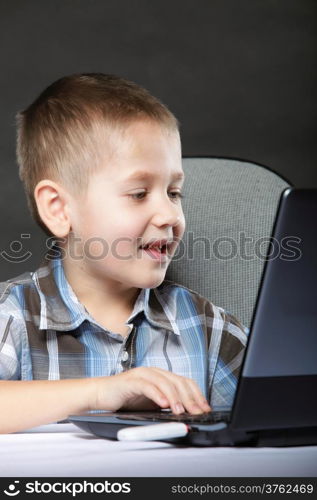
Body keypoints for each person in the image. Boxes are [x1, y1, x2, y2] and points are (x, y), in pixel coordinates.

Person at [0, 73, 247, 433]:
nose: (169, 215)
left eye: (174, 192)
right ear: (58, 209)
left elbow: (268, 429)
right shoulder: (11, 317)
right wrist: (100, 392)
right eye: (139, 193)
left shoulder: (210, 329)